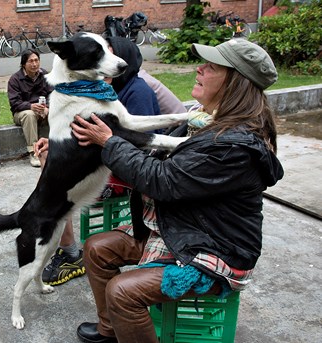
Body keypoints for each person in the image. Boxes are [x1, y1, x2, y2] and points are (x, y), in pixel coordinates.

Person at [70, 39, 283, 343]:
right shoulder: (203, 119)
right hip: (183, 226)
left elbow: (163, 180)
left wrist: (109, 142)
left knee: (123, 292)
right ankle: (111, 331)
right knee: (96, 248)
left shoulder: (234, 146)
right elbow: (153, 154)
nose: (199, 68)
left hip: (214, 248)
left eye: (211, 66)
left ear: (235, 82)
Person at [37, 36, 162, 287]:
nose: (109, 61)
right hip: (115, 158)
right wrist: (61, 143)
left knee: (59, 190)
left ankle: (69, 252)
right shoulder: (105, 88)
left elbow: (135, 143)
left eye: (109, 54)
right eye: (101, 54)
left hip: (130, 172)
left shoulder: (136, 91)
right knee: (50, 166)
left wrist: (97, 142)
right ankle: (66, 246)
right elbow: (95, 128)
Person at [7, 49, 54, 167]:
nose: (34, 64)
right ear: (23, 64)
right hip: (22, 113)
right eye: (31, 61)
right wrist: (30, 106)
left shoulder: (44, 75)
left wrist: (47, 107)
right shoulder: (15, 79)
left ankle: (59, 146)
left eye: (37, 60)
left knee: (60, 110)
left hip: (42, 109)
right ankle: (33, 152)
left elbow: (52, 94)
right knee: (29, 114)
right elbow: (14, 103)